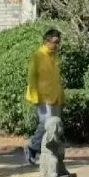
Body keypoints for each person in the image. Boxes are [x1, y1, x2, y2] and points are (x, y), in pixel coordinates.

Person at [24, 28, 64, 166]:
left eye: (58, 42)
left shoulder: (55, 57)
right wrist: (35, 96)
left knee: (56, 127)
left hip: (55, 97)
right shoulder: (38, 56)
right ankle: (32, 148)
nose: (57, 45)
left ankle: (51, 154)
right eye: (55, 42)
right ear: (46, 41)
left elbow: (56, 79)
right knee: (45, 125)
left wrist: (61, 95)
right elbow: (31, 77)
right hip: (42, 97)